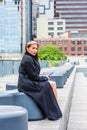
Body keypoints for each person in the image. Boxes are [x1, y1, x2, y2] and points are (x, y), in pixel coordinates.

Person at [18, 41, 62, 120]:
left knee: (51, 84)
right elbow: (33, 76)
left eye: (36, 49)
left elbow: (34, 75)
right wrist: (45, 78)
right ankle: (53, 110)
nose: (35, 50)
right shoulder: (27, 59)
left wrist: (44, 78)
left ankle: (53, 108)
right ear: (27, 48)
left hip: (29, 81)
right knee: (47, 85)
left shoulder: (31, 58)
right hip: (26, 84)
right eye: (33, 48)